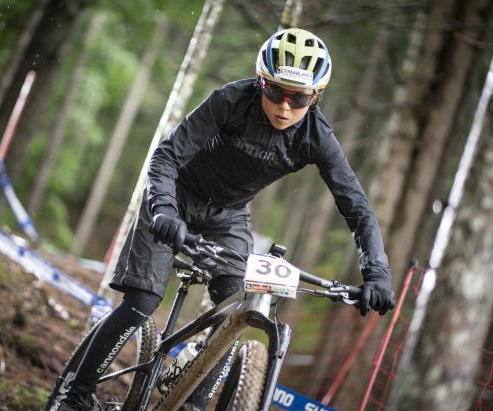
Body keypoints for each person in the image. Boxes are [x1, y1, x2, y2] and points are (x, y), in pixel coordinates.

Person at [57, 27, 395, 411]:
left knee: (236, 310)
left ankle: (191, 403)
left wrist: (377, 273)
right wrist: (164, 209)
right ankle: (74, 394)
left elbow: (357, 208)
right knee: (141, 301)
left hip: (229, 216)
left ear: (315, 96)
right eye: (275, 93)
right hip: (177, 197)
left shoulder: (317, 137)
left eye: (299, 98)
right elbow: (166, 155)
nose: (285, 107)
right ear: (260, 82)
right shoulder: (231, 101)